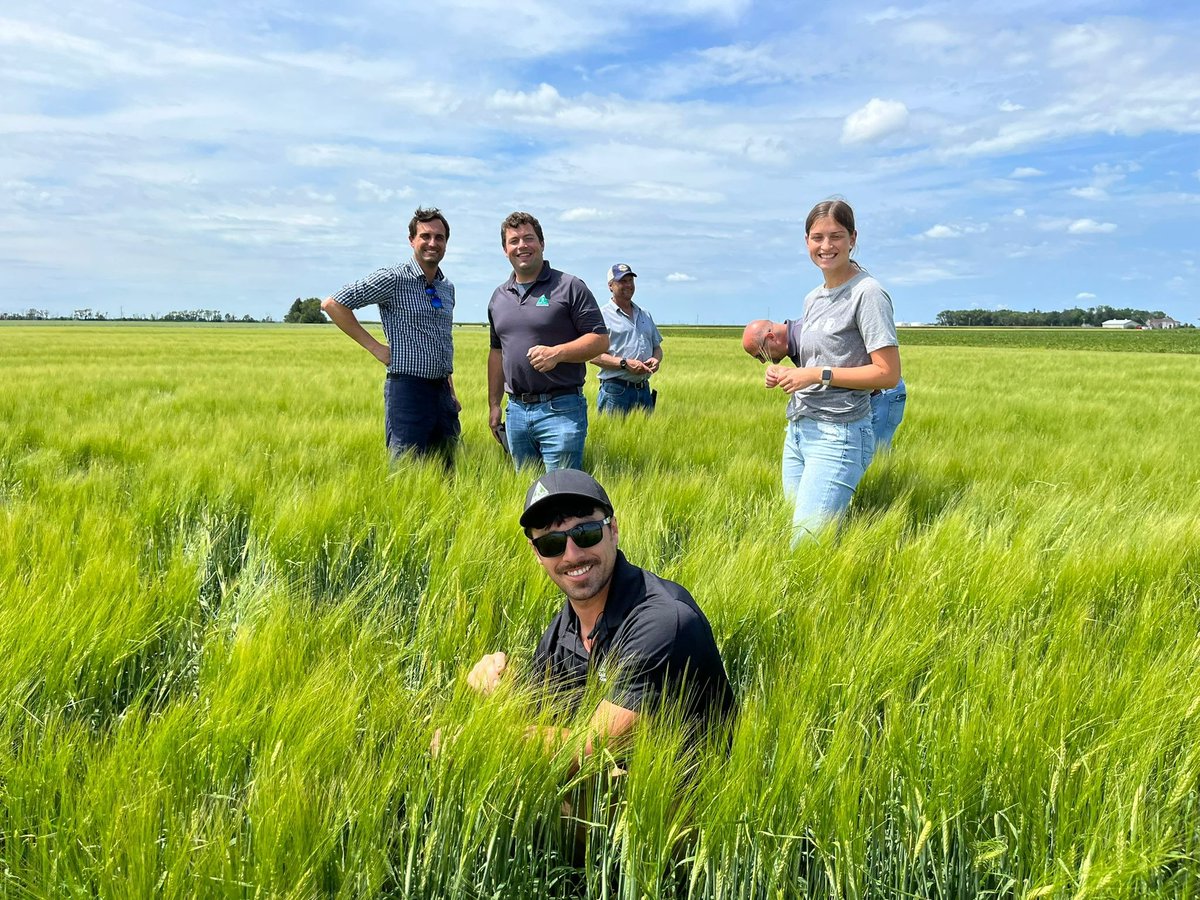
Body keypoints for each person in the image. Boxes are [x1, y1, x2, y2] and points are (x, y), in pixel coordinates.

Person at [466, 468, 737, 761]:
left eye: (585, 533)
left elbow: (592, 749)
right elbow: (539, 709)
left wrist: (478, 740)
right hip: (618, 789)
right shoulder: (565, 629)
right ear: (536, 553)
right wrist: (499, 679)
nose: (571, 555)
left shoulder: (663, 622)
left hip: (686, 799)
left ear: (613, 530)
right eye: (551, 543)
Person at [760, 199, 901, 543]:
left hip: (838, 435)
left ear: (853, 238)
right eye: (817, 237)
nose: (826, 246)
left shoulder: (868, 294)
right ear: (806, 241)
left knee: (805, 546)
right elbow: (819, 359)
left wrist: (817, 374)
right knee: (793, 534)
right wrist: (785, 375)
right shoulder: (814, 298)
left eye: (836, 236)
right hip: (799, 431)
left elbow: (887, 374)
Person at [321, 207, 460, 463]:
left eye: (439, 238)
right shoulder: (393, 278)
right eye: (425, 236)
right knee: (406, 469)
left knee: (447, 471)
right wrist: (377, 349)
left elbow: (443, 339)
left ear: (446, 243)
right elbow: (333, 304)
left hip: (442, 393)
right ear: (411, 240)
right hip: (407, 390)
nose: (432, 243)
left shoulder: (446, 287)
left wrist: (450, 391)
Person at [487, 213, 609, 471]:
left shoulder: (570, 287)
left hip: (561, 410)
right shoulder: (498, 297)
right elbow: (497, 352)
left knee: (560, 495)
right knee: (528, 494)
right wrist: (495, 404)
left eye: (529, 238)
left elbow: (600, 340)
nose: (522, 246)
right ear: (504, 249)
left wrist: (558, 353)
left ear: (542, 243)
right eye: (514, 240)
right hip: (516, 412)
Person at [742, 318, 906, 451]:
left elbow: (830, 373)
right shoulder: (800, 336)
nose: (763, 361)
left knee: (873, 455)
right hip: (866, 397)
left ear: (771, 338)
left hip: (881, 394)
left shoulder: (807, 336)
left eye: (760, 355)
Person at [589, 264, 663, 415]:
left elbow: (657, 347)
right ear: (610, 286)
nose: (628, 285)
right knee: (611, 438)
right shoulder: (600, 316)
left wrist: (656, 359)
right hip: (615, 391)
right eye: (622, 281)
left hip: (643, 389)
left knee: (644, 438)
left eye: (630, 280)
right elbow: (592, 356)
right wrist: (624, 364)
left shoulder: (645, 314)